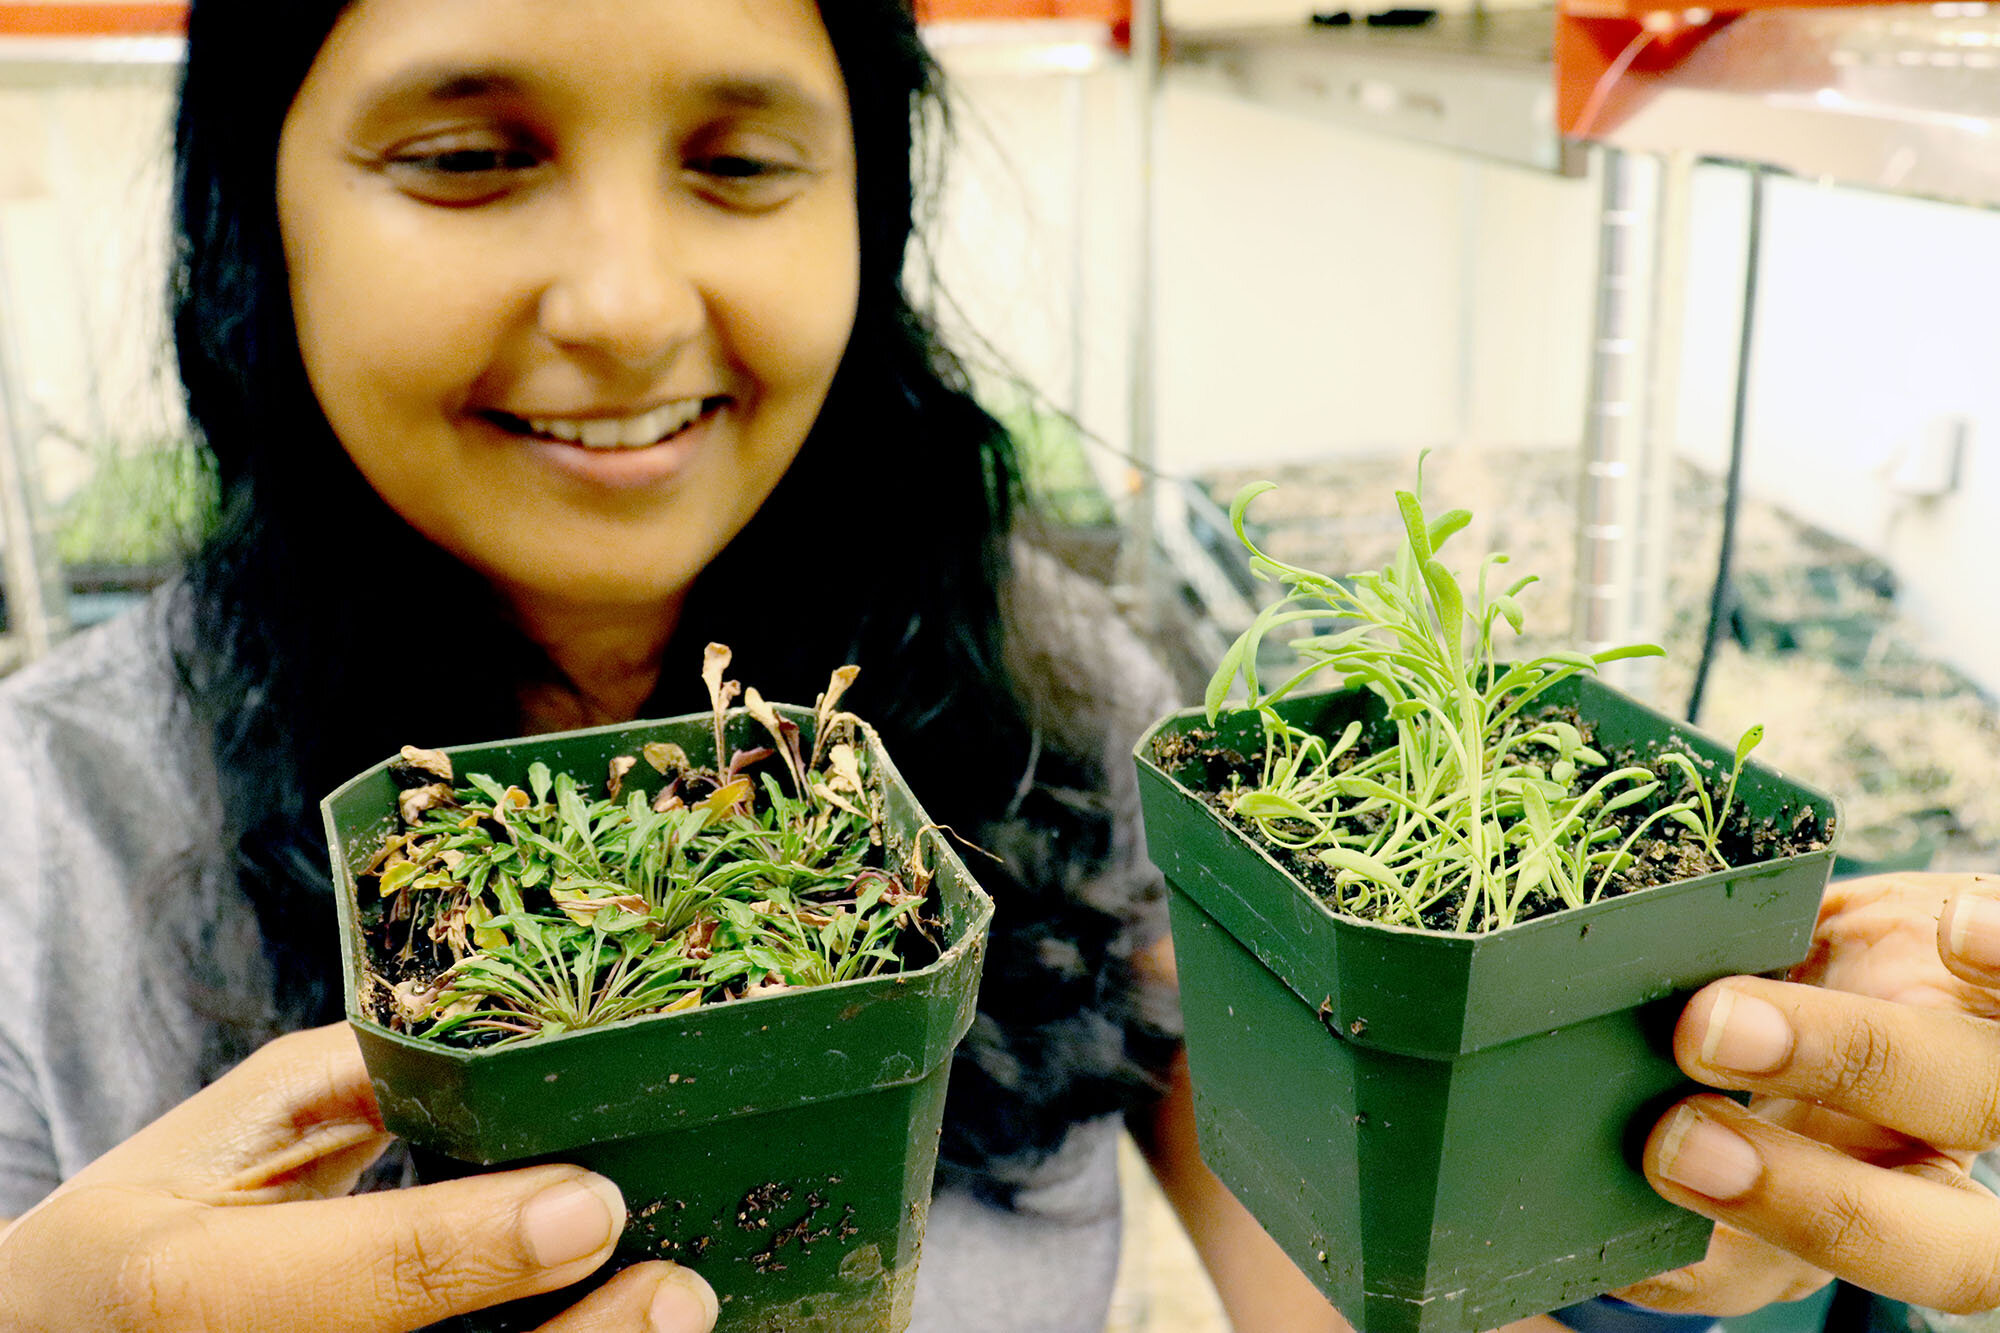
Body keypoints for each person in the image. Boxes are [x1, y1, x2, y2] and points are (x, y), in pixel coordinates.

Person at [0, 1, 1996, 1330]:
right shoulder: (45, 849)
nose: (619, 301)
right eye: (462, 153)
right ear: (248, 213)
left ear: (869, 213)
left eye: (739, 159)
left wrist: (1596, 1156)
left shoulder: (1069, 689)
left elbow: (1305, 1241)